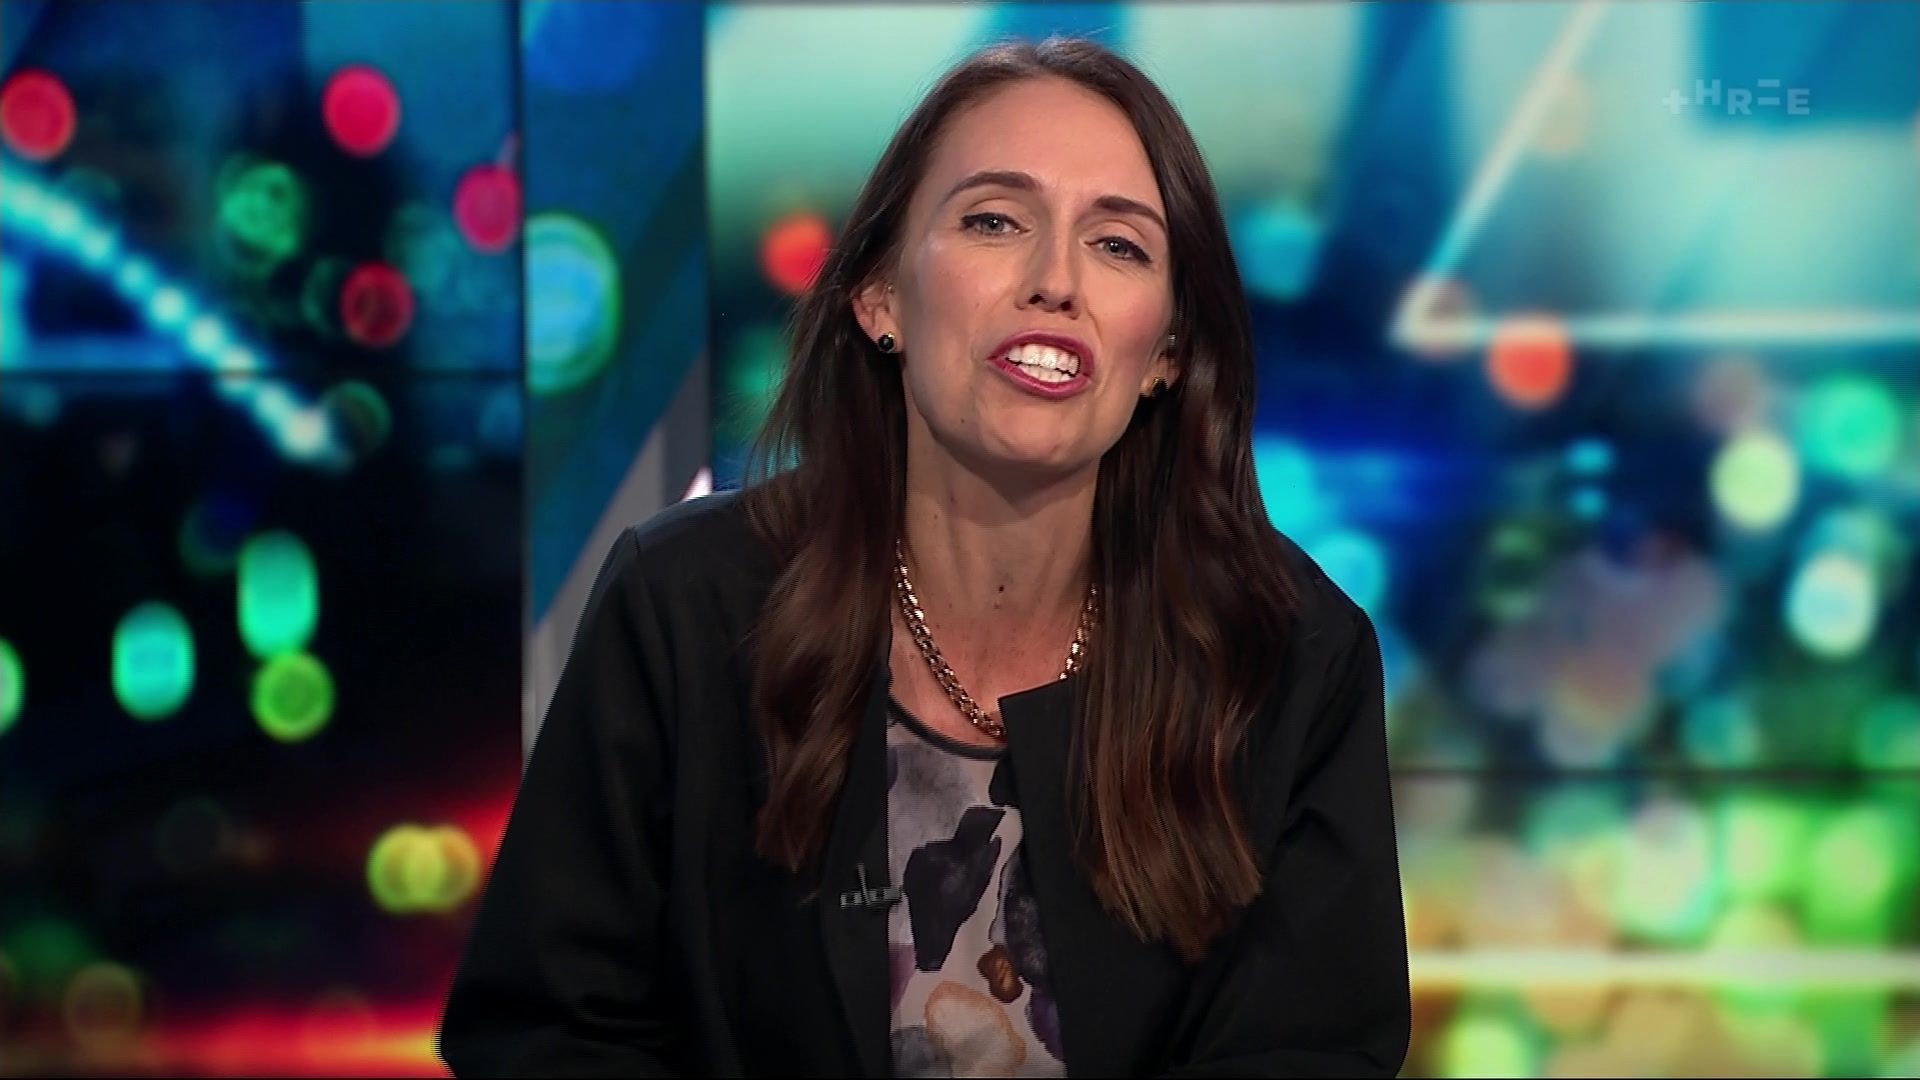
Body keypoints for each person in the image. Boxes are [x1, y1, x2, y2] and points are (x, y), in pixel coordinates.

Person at [439, 36, 1409, 1078]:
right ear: (879, 296)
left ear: (1168, 352)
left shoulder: (1287, 658)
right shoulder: (683, 608)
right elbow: (547, 1035)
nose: (1055, 282)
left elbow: (1308, 1054)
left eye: (1118, 244)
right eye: (995, 221)